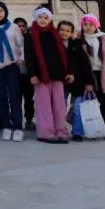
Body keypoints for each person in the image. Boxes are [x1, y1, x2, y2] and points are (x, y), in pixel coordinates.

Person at [24, 8, 72, 144]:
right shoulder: (30, 34)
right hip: (40, 75)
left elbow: (62, 54)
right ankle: (46, 132)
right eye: (40, 17)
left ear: (49, 19)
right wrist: (33, 74)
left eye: (46, 18)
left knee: (59, 104)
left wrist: (66, 71)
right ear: (35, 18)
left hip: (57, 74)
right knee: (43, 105)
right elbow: (29, 56)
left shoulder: (55, 33)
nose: (43, 20)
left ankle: (60, 130)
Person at [0, 1, 25, 142]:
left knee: (14, 96)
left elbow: (21, 44)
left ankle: (17, 127)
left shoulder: (14, 27)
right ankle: (6, 126)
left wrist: (21, 58)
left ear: (5, 12)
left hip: (12, 65)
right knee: (1, 98)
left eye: (0, 10)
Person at [78, 14, 105, 140]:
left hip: (101, 74)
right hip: (86, 74)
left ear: (96, 26)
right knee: (88, 102)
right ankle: (89, 129)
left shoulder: (103, 38)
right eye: (85, 25)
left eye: (91, 25)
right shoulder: (79, 39)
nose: (88, 27)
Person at [62, 20, 95, 142]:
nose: (64, 33)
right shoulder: (54, 46)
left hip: (79, 82)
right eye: (61, 30)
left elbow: (86, 66)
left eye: (67, 31)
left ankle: (77, 132)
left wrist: (89, 82)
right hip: (62, 82)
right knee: (60, 107)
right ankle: (61, 130)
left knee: (77, 108)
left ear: (71, 33)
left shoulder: (77, 46)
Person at [13, 17, 34, 129]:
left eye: (23, 26)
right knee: (16, 98)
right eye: (18, 26)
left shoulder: (29, 38)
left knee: (29, 98)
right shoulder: (11, 37)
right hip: (15, 73)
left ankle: (29, 120)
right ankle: (16, 121)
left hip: (27, 73)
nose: (21, 28)